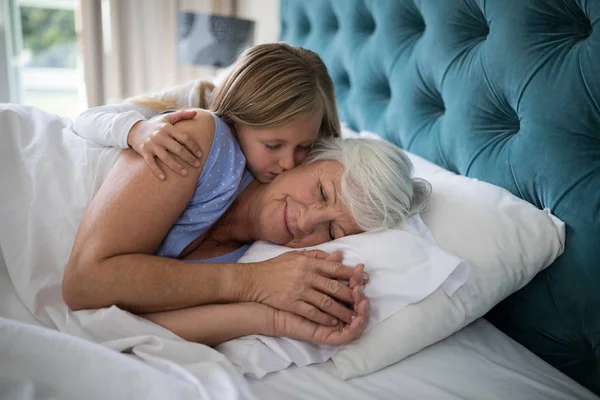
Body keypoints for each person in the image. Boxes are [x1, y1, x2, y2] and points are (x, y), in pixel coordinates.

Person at [73, 42, 340, 183]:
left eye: (304, 146)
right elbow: (85, 118)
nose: (289, 164)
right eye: (273, 146)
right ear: (234, 120)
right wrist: (135, 130)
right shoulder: (196, 100)